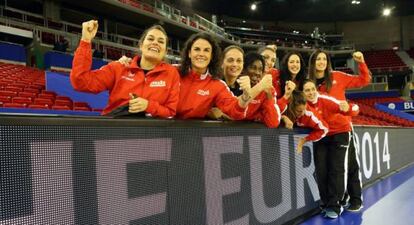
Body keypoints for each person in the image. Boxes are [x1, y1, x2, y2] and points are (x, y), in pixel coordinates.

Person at [71, 20, 180, 117]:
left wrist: (148, 105)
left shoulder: (171, 73)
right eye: (150, 39)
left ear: (165, 51)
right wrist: (85, 40)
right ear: (141, 45)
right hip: (116, 132)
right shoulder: (119, 67)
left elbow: (170, 112)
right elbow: (80, 82)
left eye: (161, 41)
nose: (155, 43)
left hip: (151, 135)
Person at [308, 49, 371, 211]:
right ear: (312, 62)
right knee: (325, 170)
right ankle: (336, 200)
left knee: (348, 166)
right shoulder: (308, 83)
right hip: (321, 133)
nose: (321, 62)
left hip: (341, 130)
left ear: (327, 62)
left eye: (324, 59)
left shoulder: (337, 76)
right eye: (317, 59)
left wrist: (361, 63)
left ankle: (355, 199)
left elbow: (364, 80)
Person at [302, 79, 360, 219]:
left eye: (312, 89)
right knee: (321, 170)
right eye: (307, 90)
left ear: (316, 89)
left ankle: (335, 205)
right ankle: (326, 203)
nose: (310, 93)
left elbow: (353, 109)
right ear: (303, 93)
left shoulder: (325, 100)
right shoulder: (303, 106)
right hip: (322, 136)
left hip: (340, 133)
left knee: (337, 169)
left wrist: (350, 108)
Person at [176, 32, 251, 119]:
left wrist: (245, 97)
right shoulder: (173, 72)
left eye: (206, 50)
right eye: (197, 49)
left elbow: (235, 112)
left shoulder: (217, 85)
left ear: (211, 56)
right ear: (189, 53)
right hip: (162, 129)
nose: (201, 54)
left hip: (194, 131)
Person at [238, 52, 288, 127]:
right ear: (243, 69)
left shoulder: (268, 90)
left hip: (252, 135)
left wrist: (269, 96)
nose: (257, 73)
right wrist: (258, 116)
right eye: (253, 68)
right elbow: (234, 113)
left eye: (260, 69)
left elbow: (273, 123)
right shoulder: (235, 85)